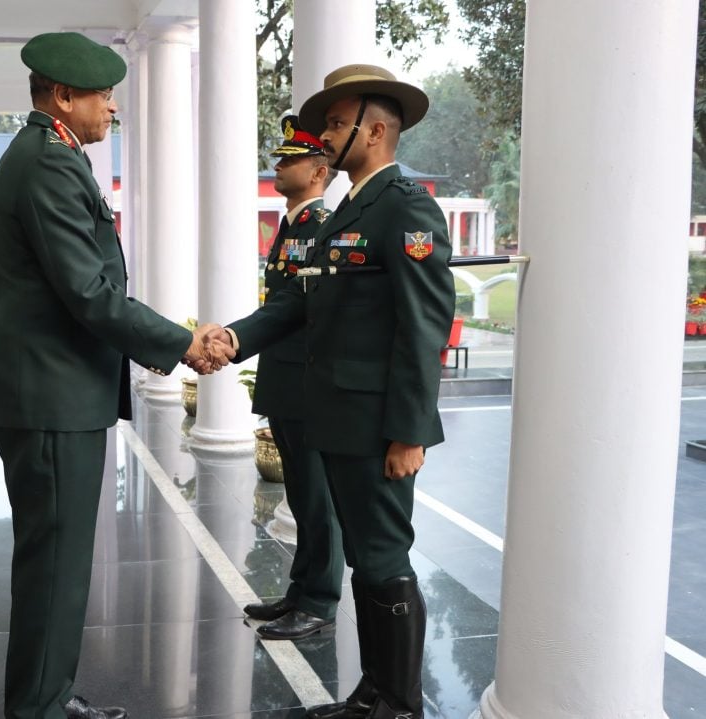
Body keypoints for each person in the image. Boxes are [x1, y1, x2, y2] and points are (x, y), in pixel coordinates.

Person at [0, 32, 231, 719]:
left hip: (53, 387)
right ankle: (38, 707)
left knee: (57, 564)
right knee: (54, 566)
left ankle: (47, 695)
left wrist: (155, 341)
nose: (112, 108)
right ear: (62, 96)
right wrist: (180, 341)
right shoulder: (49, 164)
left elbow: (85, 288)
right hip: (49, 392)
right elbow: (89, 290)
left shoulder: (49, 156)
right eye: (103, 95)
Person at [211, 65, 455, 719]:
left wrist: (409, 430)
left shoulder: (404, 206)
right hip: (339, 416)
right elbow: (295, 304)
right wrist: (231, 338)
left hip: (377, 422)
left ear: (374, 131)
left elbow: (422, 325)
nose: (324, 135)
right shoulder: (345, 209)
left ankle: (398, 704)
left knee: (381, 554)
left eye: (337, 124)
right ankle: (371, 693)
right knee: (364, 559)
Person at [243, 115, 346, 641]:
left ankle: (321, 600)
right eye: (280, 157)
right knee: (301, 494)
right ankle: (301, 590)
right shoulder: (293, 225)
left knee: (316, 496)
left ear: (320, 170)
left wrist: (233, 340)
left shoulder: (321, 226)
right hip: (285, 380)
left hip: (306, 384)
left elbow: (294, 306)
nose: (279, 165)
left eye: (291, 159)